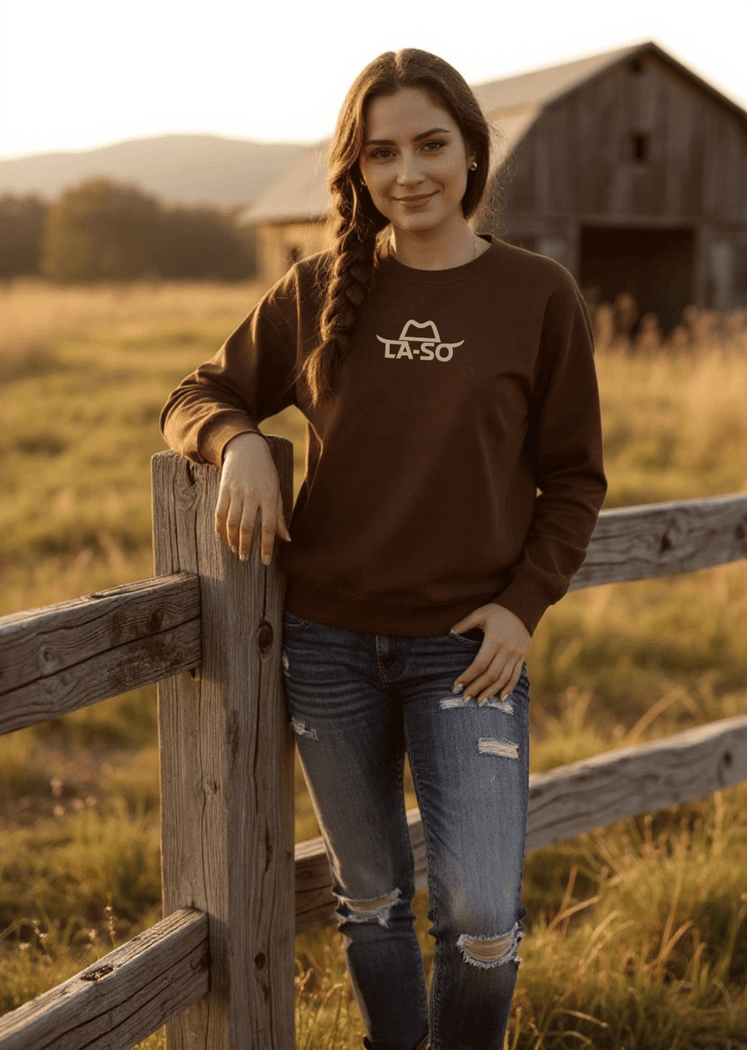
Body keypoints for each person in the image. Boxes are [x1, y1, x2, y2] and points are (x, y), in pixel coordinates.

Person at [161, 48, 607, 1050]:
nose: (409, 173)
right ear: (357, 173)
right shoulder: (317, 290)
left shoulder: (539, 296)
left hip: (469, 651)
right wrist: (238, 445)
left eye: (431, 145)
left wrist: (522, 603)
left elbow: (576, 479)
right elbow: (196, 393)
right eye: (381, 154)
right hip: (326, 648)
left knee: (484, 922)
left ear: (473, 152)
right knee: (369, 901)